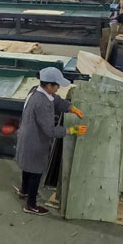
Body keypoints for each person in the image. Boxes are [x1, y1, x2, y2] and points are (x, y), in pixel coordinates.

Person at [15, 67, 87, 216]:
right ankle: (31, 205)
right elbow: (50, 130)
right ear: (49, 85)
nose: (58, 88)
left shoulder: (36, 91)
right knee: (35, 172)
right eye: (57, 85)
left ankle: (24, 191)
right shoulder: (42, 103)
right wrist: (70, 130)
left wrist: (70, 108)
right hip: (35, 142)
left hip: (26, 137)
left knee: (27, 167)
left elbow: (55, 100)